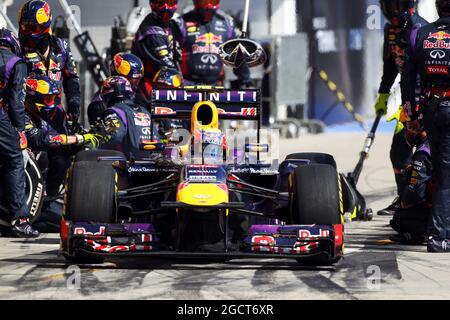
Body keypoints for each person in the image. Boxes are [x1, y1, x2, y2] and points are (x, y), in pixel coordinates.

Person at [401, 0, 450, 252]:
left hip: (431, 109)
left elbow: (407, 77)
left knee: (442, 170)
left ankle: (437, 232)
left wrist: (410, 111)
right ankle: (440, 237)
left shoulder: (419, 34)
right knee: (446, 173)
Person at [375, 0, 428, 216]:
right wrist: (383, 94)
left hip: (422, 98)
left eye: (398, 4)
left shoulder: (420, 28)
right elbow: (390, 67)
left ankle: (421, 202)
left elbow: (424, 71)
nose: (394, 10)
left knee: (424, 153)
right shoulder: (389, 31)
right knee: (398, 154)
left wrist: (414, 106)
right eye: (390, 4)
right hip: (404, 98)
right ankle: (404, 199)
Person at [19, 0, 80, 134]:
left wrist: (74, 105)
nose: (28, 32)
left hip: (55, 110)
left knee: (63, 150)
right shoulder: (18, 48)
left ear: (45, 25)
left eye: (33, 27)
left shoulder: (62, 47)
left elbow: (72, 79)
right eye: (25, 27)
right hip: (28, 111)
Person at [0, 28, 39, 237]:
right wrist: (20, 130)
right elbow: (16, 102)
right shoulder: (16, 63)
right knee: (14, 158)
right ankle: (20, 220)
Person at [172, 0, 252, 87]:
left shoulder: (227, 23)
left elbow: (237, 54)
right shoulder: (181, 22)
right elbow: (170, 56)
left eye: (213, 1)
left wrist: (245, 79)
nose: (209, 6)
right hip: (187, 85)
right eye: (204, 2)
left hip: (216, 86)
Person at [390, 117, 433, 244]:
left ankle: (426, 233)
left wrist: (405, 200)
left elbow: (416, 190)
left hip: (441, 208)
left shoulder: (423, 153)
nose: (410, 131)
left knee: (398, 220)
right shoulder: (441, 144)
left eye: (413, 127)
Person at [132, 0, 180, 108]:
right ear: (153, 4)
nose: (167, 7)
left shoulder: (170, 25)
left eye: (171, 3)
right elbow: (167, 64)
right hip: (148, 88)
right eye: (161, 3)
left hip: (163, 86)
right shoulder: (151, 31)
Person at [98, 76, 155, 160]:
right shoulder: (144, 111)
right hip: (152, 161)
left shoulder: (113, 111)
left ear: (108, 95)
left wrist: (97, 143)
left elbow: (115, 136)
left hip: (129, 164)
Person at [88, 52, 144, 131]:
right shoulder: (100, 100)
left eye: (138, 79)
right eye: (134, 79)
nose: (136, 83)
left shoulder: (135, 94)